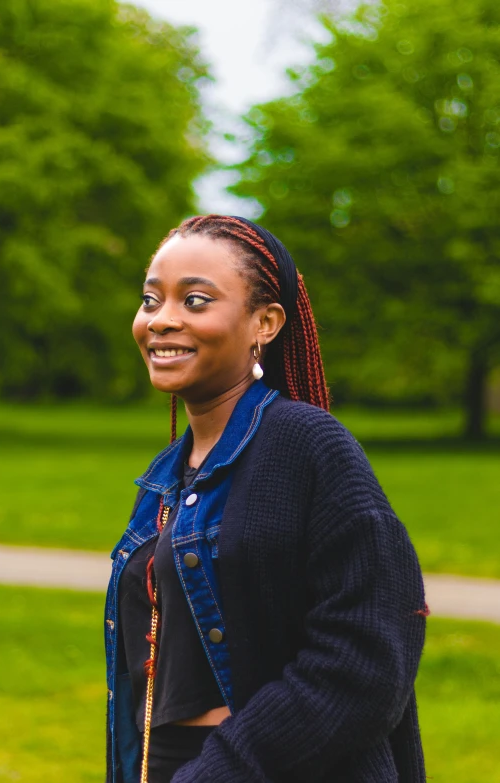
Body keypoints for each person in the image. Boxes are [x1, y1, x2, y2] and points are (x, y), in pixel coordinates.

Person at [104, 214, 428, 783]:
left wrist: (227, 768)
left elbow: (367, 662)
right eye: (150, 300)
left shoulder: (307, 445)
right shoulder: (166, 477)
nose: (162, 320)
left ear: (266, 322)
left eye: (196, 300)